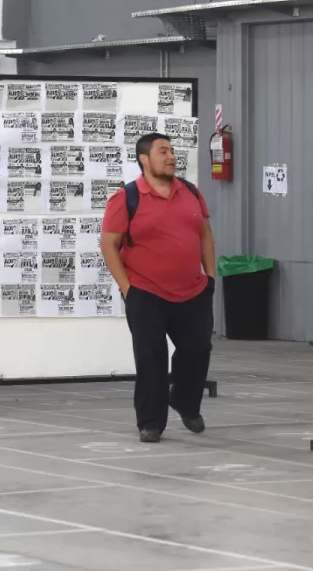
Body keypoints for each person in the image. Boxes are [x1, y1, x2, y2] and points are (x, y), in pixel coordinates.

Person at [100, 132, 216, 443]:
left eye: (172, 151)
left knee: (198, 350)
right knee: (151, 359)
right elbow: (109, 244)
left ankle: (185, 401)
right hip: (146, 292)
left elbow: (205, 234)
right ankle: (150, 423)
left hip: (193, 291)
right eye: (163, 151)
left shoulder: (191, 192)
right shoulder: (126, 198)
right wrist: (127, 289)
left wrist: (211, 277)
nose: (171, 157)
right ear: (144, 159)